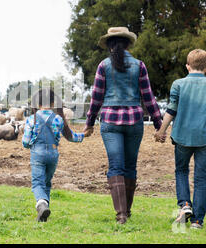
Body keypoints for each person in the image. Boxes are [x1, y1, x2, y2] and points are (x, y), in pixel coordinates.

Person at [84, 27, 163, 224]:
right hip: (135, 121)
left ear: (110, 44)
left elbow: (96, 98)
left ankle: (121, 216)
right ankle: (126, 211)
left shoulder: (103, 66)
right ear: (128, 44)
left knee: (116, 166)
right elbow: (148, 97)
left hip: (110, 121)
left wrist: (90, 123)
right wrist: (158, 123)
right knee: (130, 166)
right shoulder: (139, 65)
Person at [155, 49, 206, 229]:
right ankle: (197, 221)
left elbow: (171, 110)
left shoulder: (178, 84)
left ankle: (185, 204)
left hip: (182, 137)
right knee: (201, 180)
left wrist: (161, 130)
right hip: (205, 137)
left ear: (187, 66)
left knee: (181, 171)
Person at [22, 88, 87, 222]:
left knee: (37, 183)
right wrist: (84, 135)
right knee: (46, 183)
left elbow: (25, 141)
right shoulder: (58, 119)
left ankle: (41, 205)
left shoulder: (31, 119)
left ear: (36, 103)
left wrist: (29, 146)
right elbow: (71, 137)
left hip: (38, 153)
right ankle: (43, 214)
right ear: (53, 103)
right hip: (53, 154)